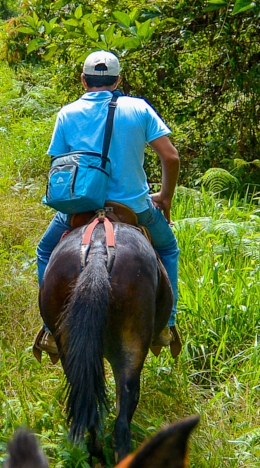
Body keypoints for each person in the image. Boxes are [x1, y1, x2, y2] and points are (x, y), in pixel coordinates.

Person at [34, 51, 180, 358]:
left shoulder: (68, 113)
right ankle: (166, 324)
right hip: (133, 208)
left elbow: (58, 166)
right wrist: (164, 197)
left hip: (81, 209)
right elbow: (171, 157)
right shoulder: (139, 108)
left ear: (83, 80)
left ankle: (50, 330)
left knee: (45, 250)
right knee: (167, 249)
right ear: (118, 80)